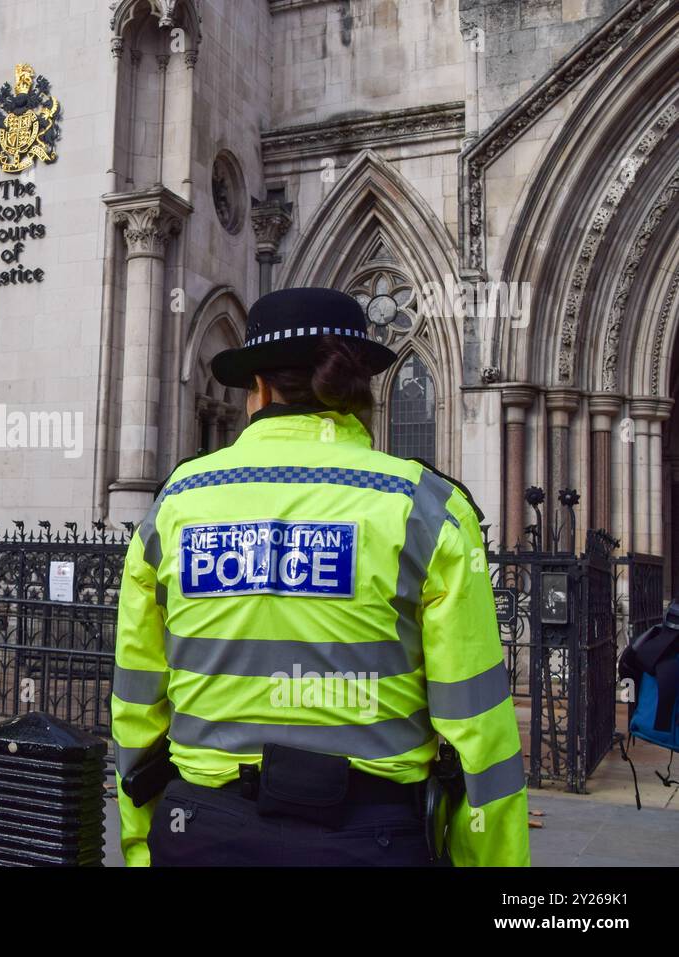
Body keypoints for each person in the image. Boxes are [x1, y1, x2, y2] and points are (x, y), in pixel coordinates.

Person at [111, 286, 529, 867]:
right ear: (358, 389)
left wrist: (142, 843)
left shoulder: (174, 507)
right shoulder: (425, 508)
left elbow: (136, 708)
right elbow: (480, 732)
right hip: (372, 839)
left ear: (256, 388)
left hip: (200, 832)